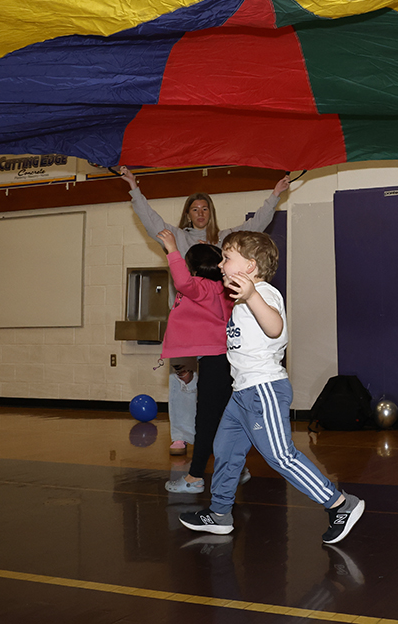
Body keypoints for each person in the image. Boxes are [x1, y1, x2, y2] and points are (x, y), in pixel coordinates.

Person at [179, 231, 365, 544]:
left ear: (250, 266)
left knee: (280, 456)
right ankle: (220, 513)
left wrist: (252, 296)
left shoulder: (264, 293)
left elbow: (275, 327)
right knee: (224, 449)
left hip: (263, 389)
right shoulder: (239, 302)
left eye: (227, 258)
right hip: (242, 394)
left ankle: (340, 504)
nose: (221, 265)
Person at [120, 167, 290, 454]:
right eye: (195, 208)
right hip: (188, 325)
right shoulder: (176, 237)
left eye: (205, 208)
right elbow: (151, 221)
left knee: (218, 387)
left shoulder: (226, 240)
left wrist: (275, 195)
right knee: (182, 382)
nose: (200, 213)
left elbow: (256, 226)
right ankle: (182, 436)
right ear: (188, 213)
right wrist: (134, 189)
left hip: (217, 325)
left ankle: (218, 436)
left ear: (210, 213)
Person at [155, 229, 247, 494]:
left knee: (206, 421)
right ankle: (236, 469)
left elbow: (182, 282)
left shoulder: (201, 287)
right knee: (224, 419)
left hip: (216, 361)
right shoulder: (221, 289)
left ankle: (195, 478)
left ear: (193, 267)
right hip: (221, 361)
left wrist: (172, 248)